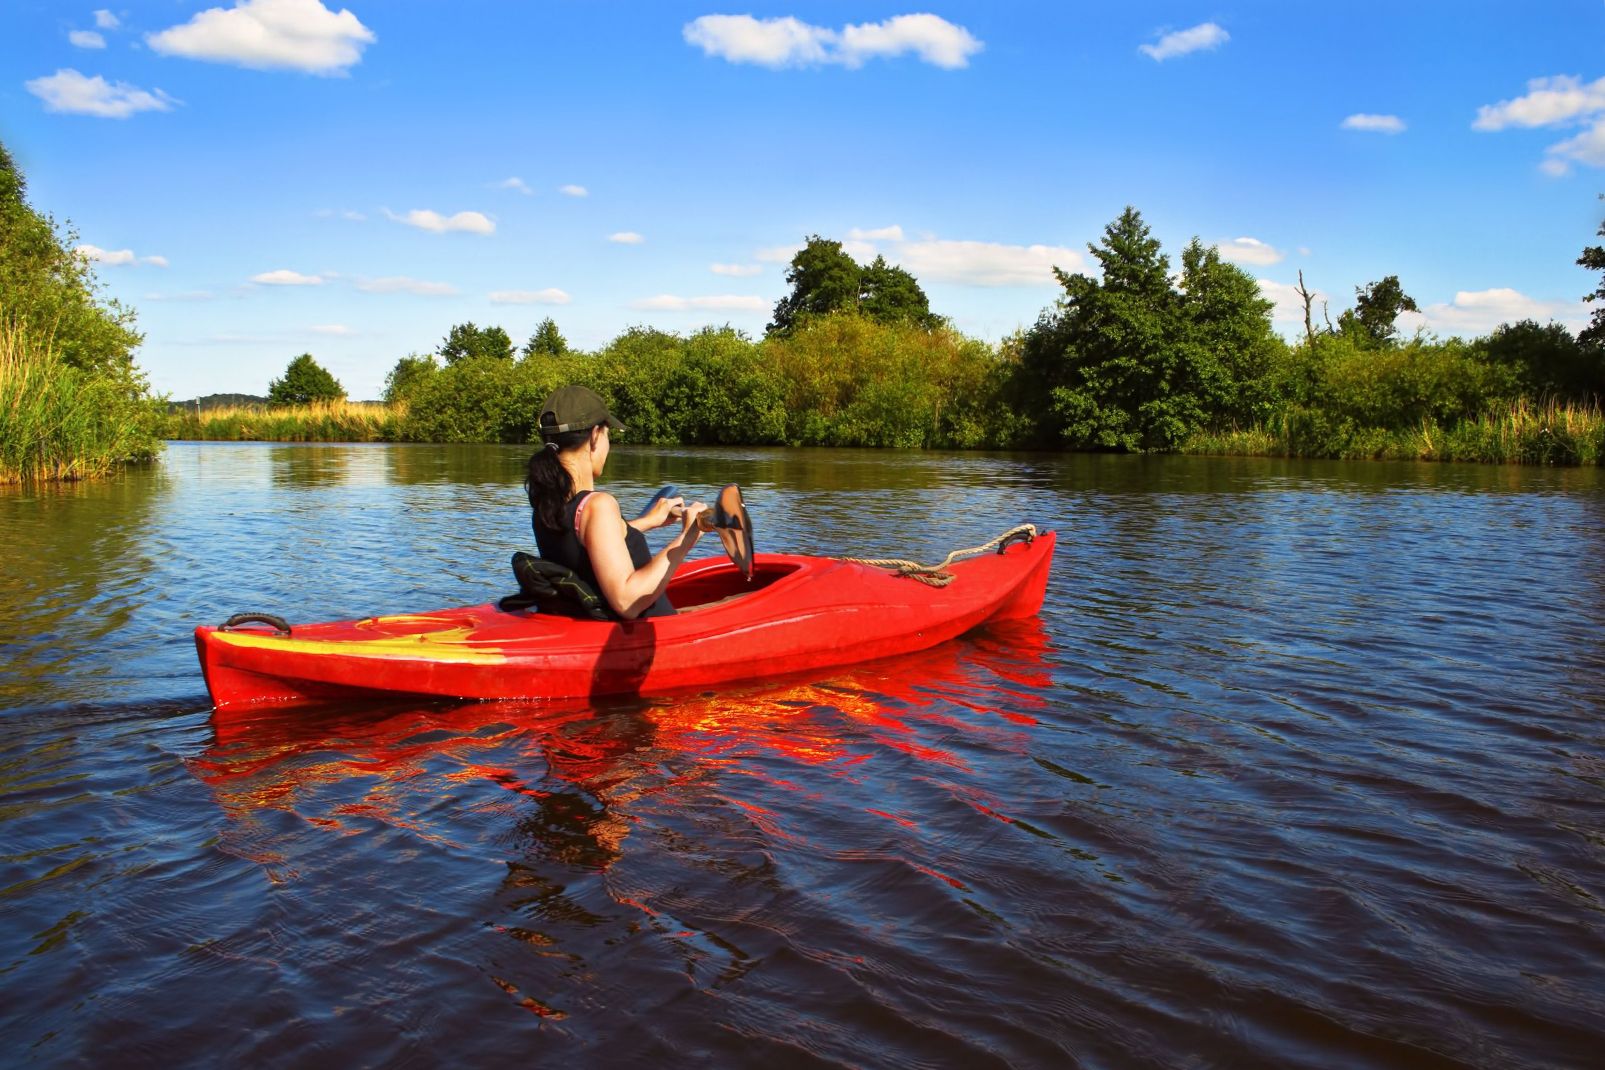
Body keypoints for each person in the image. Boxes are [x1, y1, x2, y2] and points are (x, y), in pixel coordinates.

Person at [525, 385, 707, 619]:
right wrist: (687, 538)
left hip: (601, 628)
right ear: (594, 436)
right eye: (608, 435)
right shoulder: (599, 505)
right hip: (651, 635)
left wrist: (647, 522)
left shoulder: (547, 506)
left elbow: (586, 545)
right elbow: (627, 601)